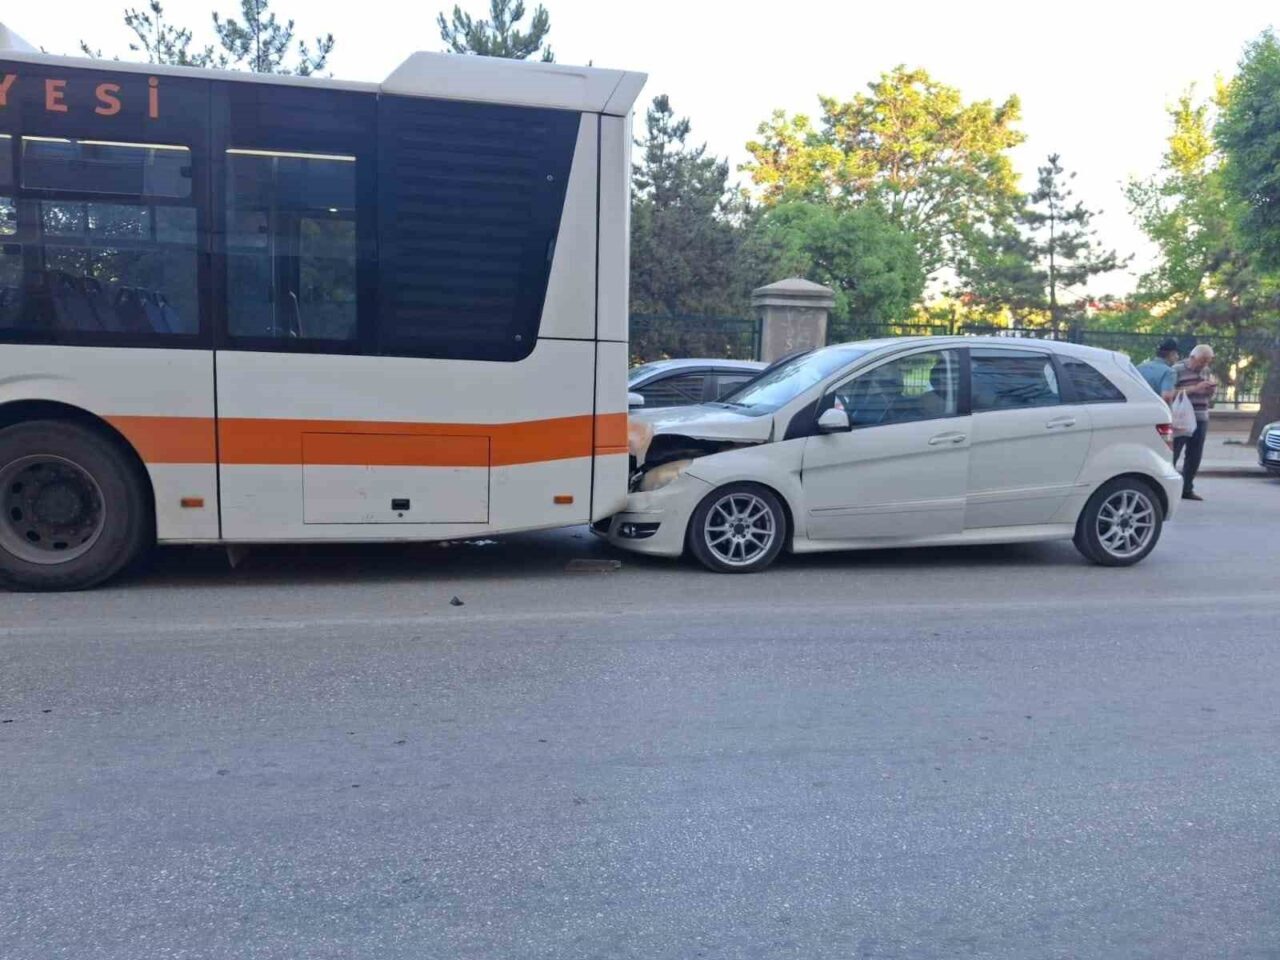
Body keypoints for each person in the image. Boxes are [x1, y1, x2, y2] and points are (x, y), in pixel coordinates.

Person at [1171, 344, 1217, 501]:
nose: (1204, 365)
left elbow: (1208, 397)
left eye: (1207, 362)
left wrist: (1210, 391)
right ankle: (1168, 488)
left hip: (1201, 416)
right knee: (1174, 452)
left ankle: (1187, 488)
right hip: (1182, 418)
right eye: (1202, 361)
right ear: (1192, 357)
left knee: (1195, 455)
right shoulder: (1176, 370)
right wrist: (1195, 388)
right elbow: (1170, 393)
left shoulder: (1206, 371)